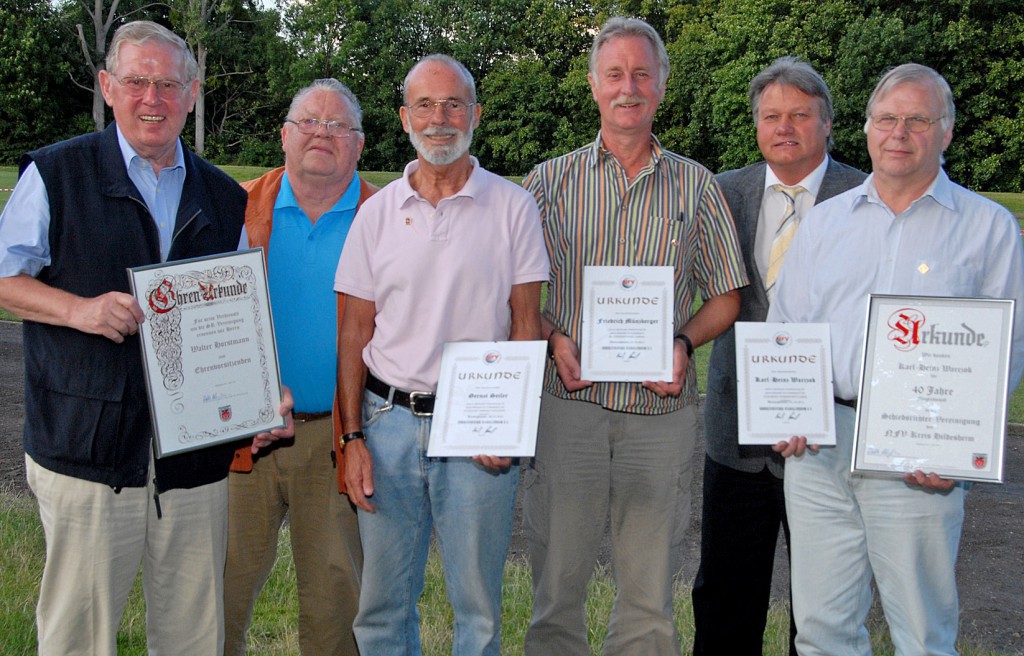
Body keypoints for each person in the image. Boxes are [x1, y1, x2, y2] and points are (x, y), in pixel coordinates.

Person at [0, 20, 293, 655]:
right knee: (80, 635)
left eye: (168, 84)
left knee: (194, 636)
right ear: (108, 86)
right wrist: (77, 310)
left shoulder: (221, 194)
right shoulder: (57, 174)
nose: (151, 99)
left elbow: (241, 310)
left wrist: (261, 394)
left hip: (193, 461)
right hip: (89, 448)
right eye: (136, 81)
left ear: (192, 93)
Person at [768, 63, 1024, 655]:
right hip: (820, 445)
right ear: (866, 128)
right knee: (823, 629)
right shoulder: (826, 222)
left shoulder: (988, 229)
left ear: (947, 131)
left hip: (919, 452)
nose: (899, 133)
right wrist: (786, 409)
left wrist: (957, 446)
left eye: (917, 120)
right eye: (887, 119)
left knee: (922, 633)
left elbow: (1005, 349)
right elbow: (788, 328)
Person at [521, 17, 748, 655]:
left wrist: (682, 342)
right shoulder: (548, 182)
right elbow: (508, 291)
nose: (629, 87)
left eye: (642, 74)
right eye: (615, 74)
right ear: (593, 85)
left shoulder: (696, 185)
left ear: (662, 87)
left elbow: (727, 294)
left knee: (649, 601)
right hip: (568, 410)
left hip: (660, 419)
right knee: (556, 593)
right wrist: (549, 336)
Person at [334, 54, 549, 655]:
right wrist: (351, 439)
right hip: (387, 425)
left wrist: (509, 425)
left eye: (453, 104)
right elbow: (353, 334)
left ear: (475, 115)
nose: (440, 119)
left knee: (477, 607)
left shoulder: (512, 207)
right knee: (381, 607)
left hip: (477, 424)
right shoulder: (374, 215)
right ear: (404, 118)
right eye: (425, 105)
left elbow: (527, 325)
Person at [691, 56, 865, 656]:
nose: (784, 127)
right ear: (757, 124)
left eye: (799, 115)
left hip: (830, 439)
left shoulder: (865, 198)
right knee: (724, 596)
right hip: (735, 432)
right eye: (771, 116)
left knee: (822, 601)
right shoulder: (725, 190)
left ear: (827, 124)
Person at [222, 78, 376, 656]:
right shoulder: (234, 205)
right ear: (284, 135)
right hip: (242, 435)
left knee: (336, 609)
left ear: (360, 145)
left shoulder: (383, 217)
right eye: (310, 121)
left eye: (338, 126)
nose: (322, 134)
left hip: (337, 436)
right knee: (218, 594)